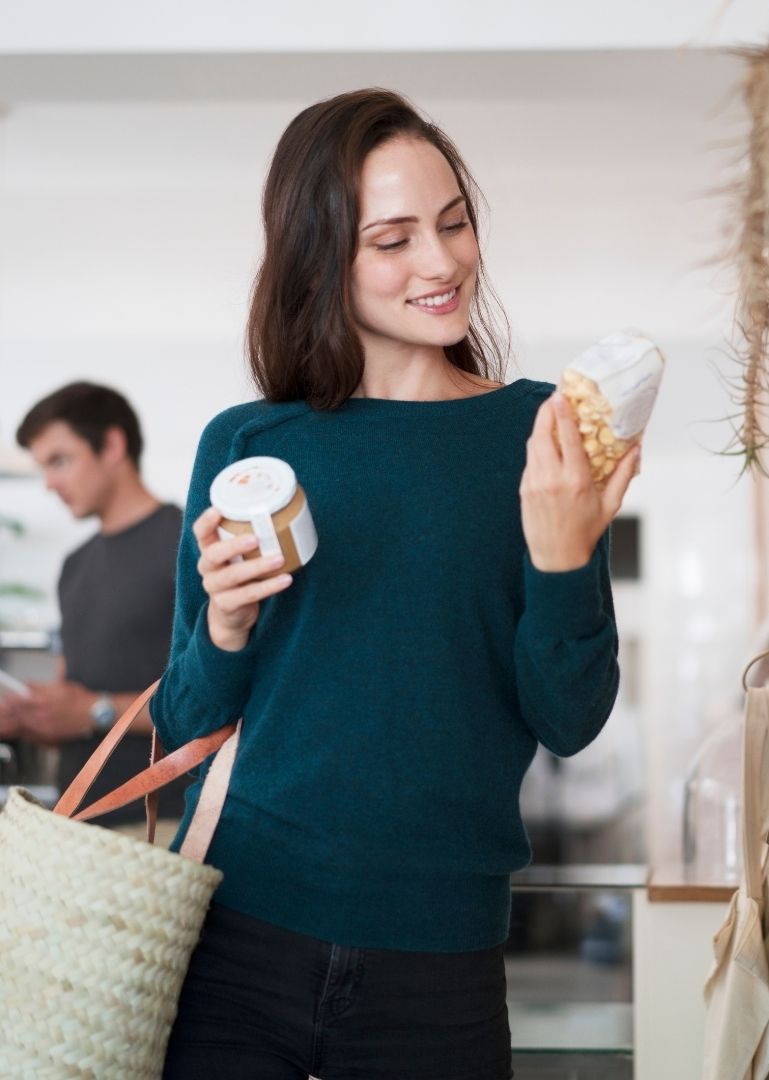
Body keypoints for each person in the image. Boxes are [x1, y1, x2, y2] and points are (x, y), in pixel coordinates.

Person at [152, 88, 640, 1080]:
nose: (442, 261)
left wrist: (560, 552)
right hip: (236, 937)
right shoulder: (246, 448)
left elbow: (571, 717)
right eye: (394, 238)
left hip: (440, 962)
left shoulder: (541, 433)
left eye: (454, 222)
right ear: (319, 257)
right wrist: (229, 624)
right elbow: (183, 718)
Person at [0, 381, 187, 836]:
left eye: (60, 461)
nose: (49, 483)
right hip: (75, 827)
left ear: (112, 444)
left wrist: (93, 711)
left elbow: (219, 700)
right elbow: (72, 695)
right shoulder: (75, 565)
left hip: (158, 821)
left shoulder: (187, 543)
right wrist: (31, 717)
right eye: (43, 467)